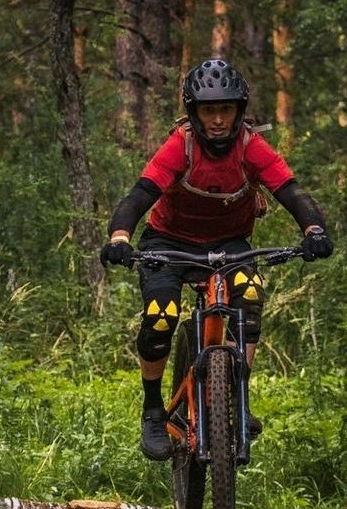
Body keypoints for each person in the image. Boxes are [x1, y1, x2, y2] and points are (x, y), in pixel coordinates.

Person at [101, 58, 333, 461]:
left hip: (229, 243)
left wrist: (313, 230)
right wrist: (120, 236)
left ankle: (236, 399)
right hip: (168, 242)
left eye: (226, 109)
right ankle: (154, 411)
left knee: (251, 293)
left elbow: (292, 192)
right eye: (210, 111)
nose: (219, 120)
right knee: (160, 315)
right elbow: (140, 195)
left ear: (239, 111)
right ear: (195, 113)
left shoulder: (250, 147)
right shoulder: (182, 145)